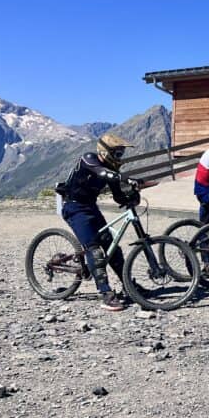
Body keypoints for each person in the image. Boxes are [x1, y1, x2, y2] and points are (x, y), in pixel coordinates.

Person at [58, 133, 140, 311]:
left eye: (121, 154)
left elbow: (118, 196)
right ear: (106, 152)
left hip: (91, 207)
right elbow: (102, 173)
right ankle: (105, 293)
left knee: (112, 247)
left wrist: (132, 197)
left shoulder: (112, 170)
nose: (120, 158)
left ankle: (129, 286)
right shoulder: (89, 159)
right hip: (73, 207)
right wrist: (125, 178)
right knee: (94, 250)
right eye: (117, 154)